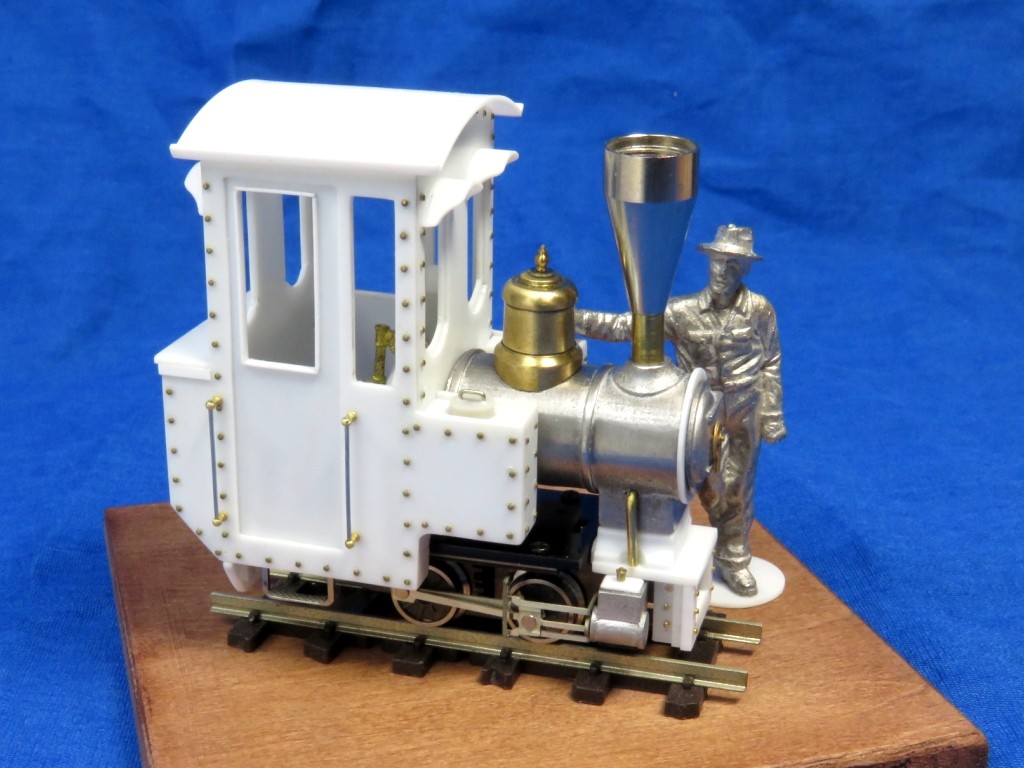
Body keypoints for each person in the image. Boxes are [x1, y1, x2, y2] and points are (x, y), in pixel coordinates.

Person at [576, 224, 786, 596]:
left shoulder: (760, 310)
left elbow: (770, 361)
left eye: (732, 265)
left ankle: (734, 559)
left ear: (745, 269)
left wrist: (771, 413)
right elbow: (626, 326)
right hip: (698, 417)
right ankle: (683, 543)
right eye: (717, 263)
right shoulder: (682, 311)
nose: (722, 272)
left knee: (739, 488)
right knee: (702, 484)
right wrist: (570, 317)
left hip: (744, 413)